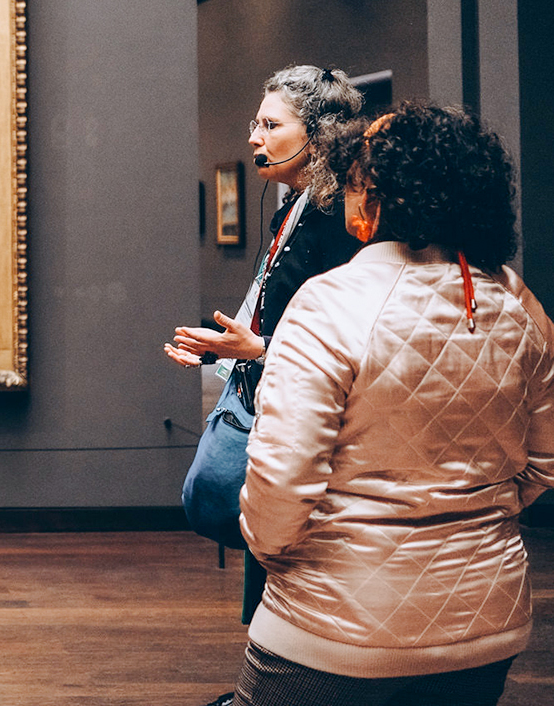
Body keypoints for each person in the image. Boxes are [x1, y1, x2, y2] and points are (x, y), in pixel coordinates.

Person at [233, 103, 554, 705]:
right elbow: (548, 462)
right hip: (485, 621)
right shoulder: (518, 302)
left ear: (381, 197)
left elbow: (280, 483)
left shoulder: (328, 302)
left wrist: (280, 554)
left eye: (354, 182)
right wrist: (476, 516)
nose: (346, 197)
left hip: (333, 627)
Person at [165, 65, 362, 706]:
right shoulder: (294, 200)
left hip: (308, 406)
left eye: (271, 125)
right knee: (266, 543)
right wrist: (230, 352)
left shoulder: (340, 217)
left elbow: (353, 342)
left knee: (285, 547)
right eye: (257, 122)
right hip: (269, 390)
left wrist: (258, 350)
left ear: (322, 134)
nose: (254, 136)